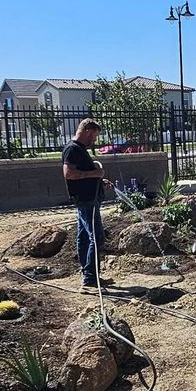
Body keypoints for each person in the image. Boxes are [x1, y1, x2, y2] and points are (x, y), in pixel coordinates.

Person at [63, 119, 114, 291]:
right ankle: (90, 279)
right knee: (97, 237)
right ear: (87, 131)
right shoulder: (73, 149)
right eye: (94, 136)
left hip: (87, 198)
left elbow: (84, 173)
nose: (95, 140)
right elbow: (69, 174)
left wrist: (99, 180)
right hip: (85, 200)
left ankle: (88, 275)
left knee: (84, 237)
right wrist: (95, 173)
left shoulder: (80, 149)